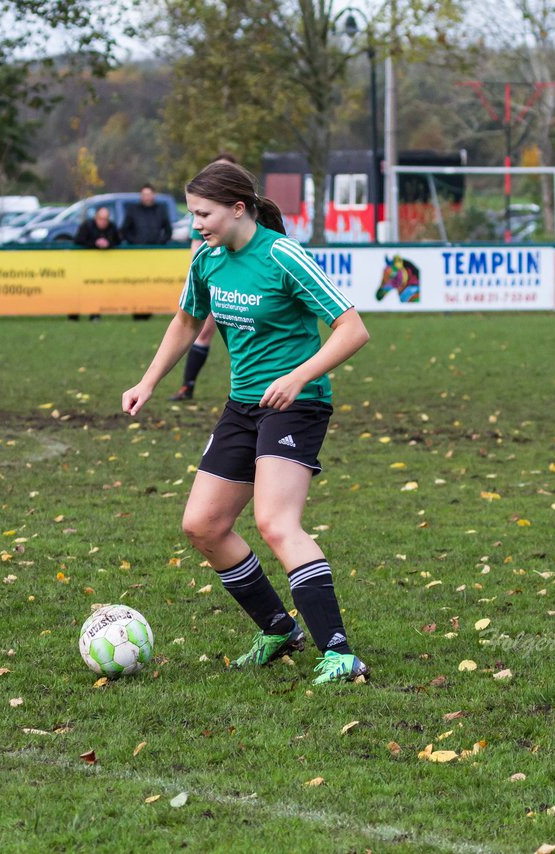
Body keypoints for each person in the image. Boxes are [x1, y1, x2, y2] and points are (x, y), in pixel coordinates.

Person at [122, 161, 371, 684]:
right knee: (203, 525)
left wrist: (300, 376)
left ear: (238, 208)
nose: (196, 225)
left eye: (204, 213)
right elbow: (186, 321)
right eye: (192, 214)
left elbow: (352, 329)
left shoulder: (283, 255)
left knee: (276, 523)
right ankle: (280, 629)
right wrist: (148, 382)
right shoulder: (207, 261)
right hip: (243, 405)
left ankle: (340, 653)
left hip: (297, 405)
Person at [169, 153, 238, 401]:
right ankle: (188, 385)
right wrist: (199, 276)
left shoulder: (245, 212)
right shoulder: (204, 214)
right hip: (215, 279)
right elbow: (196, 247)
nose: (198, 223)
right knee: (201, 330)